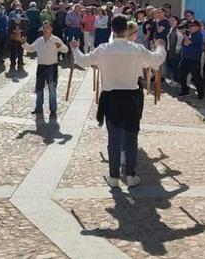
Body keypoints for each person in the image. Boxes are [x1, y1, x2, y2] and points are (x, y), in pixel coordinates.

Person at [70, 15, 166, 188]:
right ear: (126, 30)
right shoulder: (136, 49)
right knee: (131, 137)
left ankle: (114, 177)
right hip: (131, 97)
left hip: (111, 97)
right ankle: (130, 175)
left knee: (113, 138)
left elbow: (83, 61)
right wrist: (160, 47)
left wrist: (75, 49)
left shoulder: (104, 48)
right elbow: (157, 60)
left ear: (112, 29)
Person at [23, 22, 68, 118]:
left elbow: (66, 50)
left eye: (47, 27)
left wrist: (60, 46)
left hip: (52, 67)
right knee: (39, 88)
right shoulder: (39, 40)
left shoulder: (56, 39)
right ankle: (38, 107)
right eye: (43, 28)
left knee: (52, 88)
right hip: (41, 67)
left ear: (51, 29)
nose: (45, 30)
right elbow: (31, 49)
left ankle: (53, 109)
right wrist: (24, 43)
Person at [177, 20, 205, 99]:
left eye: (193, 26)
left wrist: (183, 33)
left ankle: (201, 94)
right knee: (181, 75)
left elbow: (188, 42)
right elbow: (184, 43)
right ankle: (185, 90)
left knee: (196, 77)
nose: (191, 27)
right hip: (185, 58)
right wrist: (185, 36)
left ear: (197, 27)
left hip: (194, 59)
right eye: (190, 26)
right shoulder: (189, 34)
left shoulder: (198, 34)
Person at [165, 16, 183, 84]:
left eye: (173, 20)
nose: (171, 21)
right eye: (170, 20)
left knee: (175, 66)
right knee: (171, 65)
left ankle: (177, 81)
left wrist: (178, 48)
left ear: (177, 21)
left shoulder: (178, 28)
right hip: (170, 50)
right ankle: (173, 80)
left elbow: (180, 38)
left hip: (175, 50)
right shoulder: (171, 28)